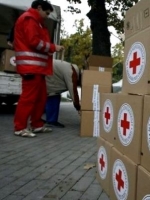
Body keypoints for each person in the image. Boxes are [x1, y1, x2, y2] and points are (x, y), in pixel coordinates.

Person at [13, 0, 64, 137]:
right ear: (39, 8)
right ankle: (20, 127)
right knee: (28, 99)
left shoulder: (37, 22)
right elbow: (34, 42)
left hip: (37, 68)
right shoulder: (29, 19)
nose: (47, 16)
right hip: (31, 67)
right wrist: (54, 47)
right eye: (46, 13)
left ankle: (36, 124)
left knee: (40, 98)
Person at [44, 59, 81, 128]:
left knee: (51, 94)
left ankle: (42, 119)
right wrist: (78, 107)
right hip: (47, 70)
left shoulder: (69, 67)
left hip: (46, 68)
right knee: (53, 94)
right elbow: (73, 91)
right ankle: (51, 121)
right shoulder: (72, 72)